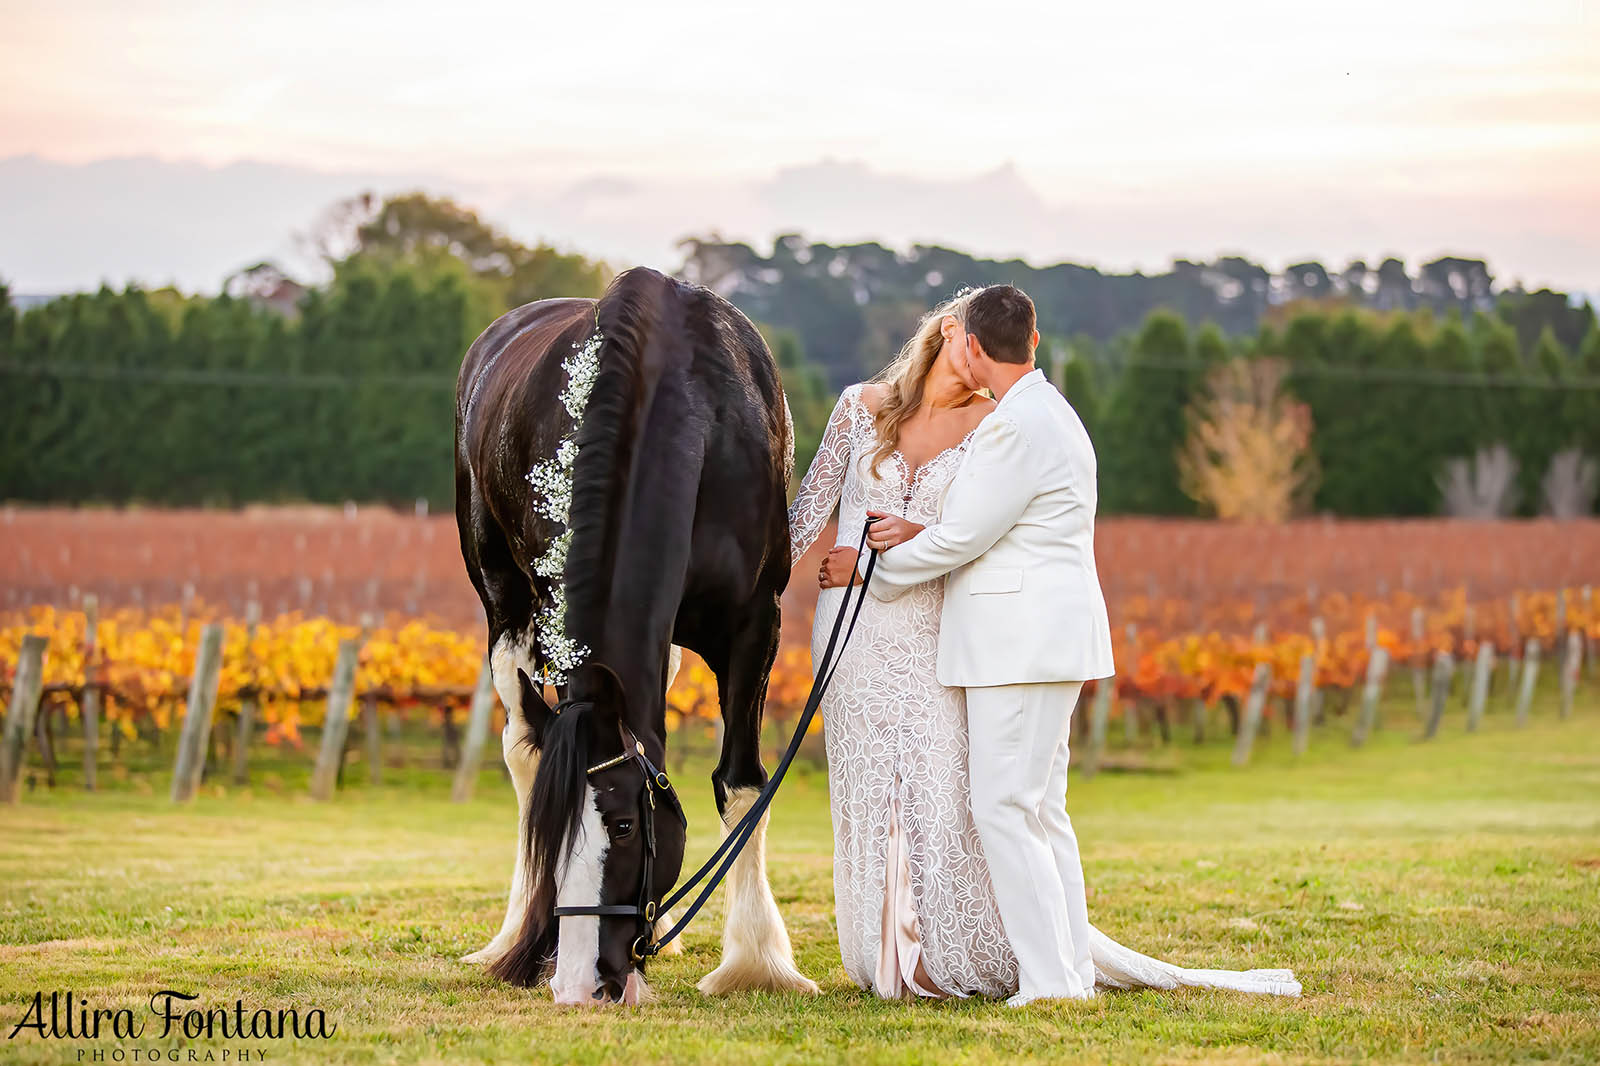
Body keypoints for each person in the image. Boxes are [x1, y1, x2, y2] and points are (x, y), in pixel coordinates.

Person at [804, 284, 1302, 1005]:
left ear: (972, 346)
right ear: (1032, 343)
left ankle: (1049, 983)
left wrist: (867, 566)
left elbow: (964, 537)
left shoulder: (1009, 426)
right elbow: (982, 525)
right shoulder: (1048, 412)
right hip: (1045, 641)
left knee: (1005, 807)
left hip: (1018, 644)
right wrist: (917, 540)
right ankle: (1063, 972)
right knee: (1040, 811)